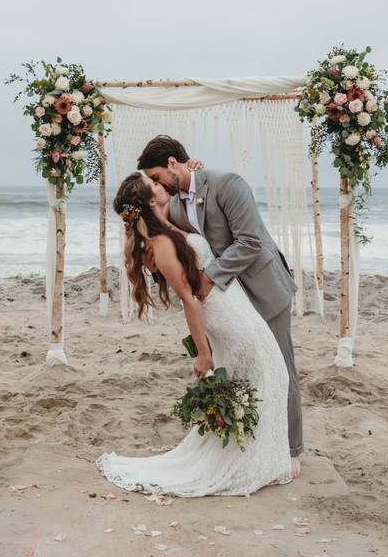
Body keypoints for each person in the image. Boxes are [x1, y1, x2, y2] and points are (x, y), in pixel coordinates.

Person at [95, 171, 292, 496]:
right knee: (269, 375)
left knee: (269, 377)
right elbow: (188, 300)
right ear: (149, 199)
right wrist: (203, 353)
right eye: (155, 184)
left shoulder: (170, 225)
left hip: (237, 307)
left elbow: (191, 193)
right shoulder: (159, 244)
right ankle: (246, 463)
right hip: (226, 318)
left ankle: (256, 460)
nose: (161, 185)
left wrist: (194, 166)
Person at [137, 136, 304, 476]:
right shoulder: (177, 205)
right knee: (245, 368)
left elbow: (251, 241)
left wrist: (209, 277)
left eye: (155, 176)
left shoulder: (228, 184)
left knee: (280, 367)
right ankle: (253, 444)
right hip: (231, 305)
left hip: (263, 288)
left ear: (172, 163)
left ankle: (291, 449)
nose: (155, 184)